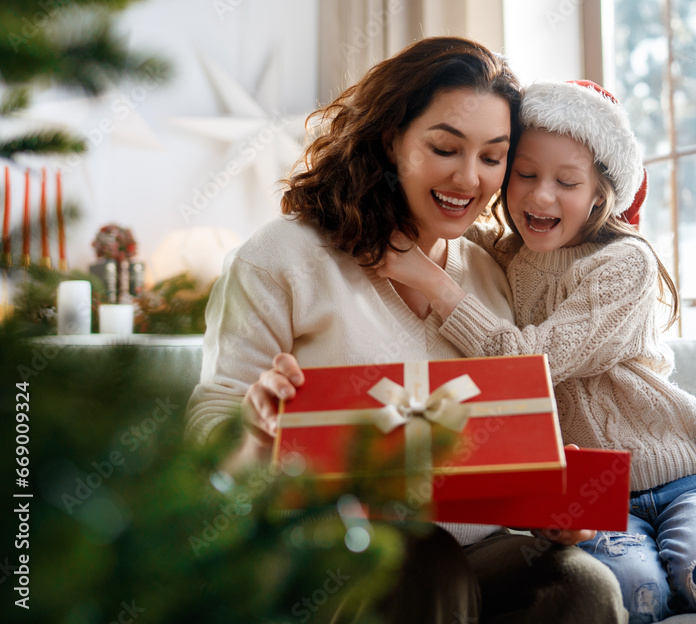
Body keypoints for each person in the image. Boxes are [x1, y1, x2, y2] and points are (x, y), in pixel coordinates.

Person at [185, 38, 628, 624]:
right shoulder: (283, 258)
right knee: (426, 559)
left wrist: (551, 503)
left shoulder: (491, 273)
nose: (469, 178)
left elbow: (505, 441)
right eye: (445, 147)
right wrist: (257, 431)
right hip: (332, 555)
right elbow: (209, 436)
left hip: (476, 551)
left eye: (493, 157)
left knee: (580, 584)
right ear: (392, 139)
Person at [374, 80, 696, 622]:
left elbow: (533, 365)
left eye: (566, 181)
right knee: (634, 596)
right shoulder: (503, 255)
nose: (540, 195)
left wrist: (437, 289)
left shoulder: (624, 264)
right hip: (596, 496)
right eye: (524, 174)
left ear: (600, 195)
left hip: (682, 476)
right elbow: (439, 223)